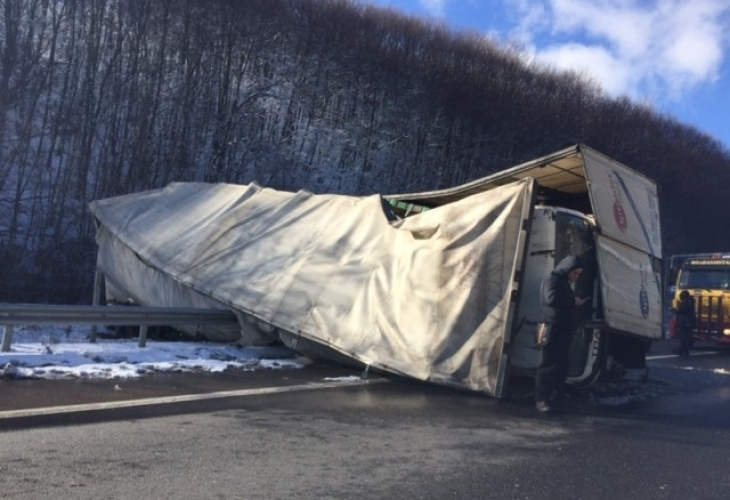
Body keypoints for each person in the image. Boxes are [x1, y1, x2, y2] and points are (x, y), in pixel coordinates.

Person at [534, 255, 590, 413]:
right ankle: (541, 399)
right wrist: (574, 302)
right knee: (548, 364)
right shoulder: (552, 280)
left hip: (561, 327)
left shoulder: (561, 282)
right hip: (553, 327)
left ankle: (554, 397)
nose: (576, 277)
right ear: (568, 270)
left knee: (560, 364)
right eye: (575, 273)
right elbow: (551, 300)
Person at [675, 290, 697, 358]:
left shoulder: (686, 302)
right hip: (688, 321)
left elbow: (683, 310)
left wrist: (676, 311)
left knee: (684, 337)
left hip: (686, 321)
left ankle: (684, 351)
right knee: (686, 337)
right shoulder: (690, 301)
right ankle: (682, 350)